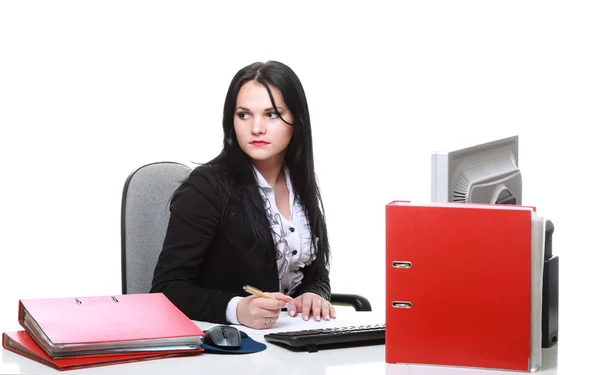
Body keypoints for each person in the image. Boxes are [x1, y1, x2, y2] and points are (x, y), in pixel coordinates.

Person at [150, 60, 336, 330]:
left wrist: (313, 295)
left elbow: (315, 272)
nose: (256, 128)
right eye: (244, 114)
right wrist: (235, 309)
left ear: (297, 120)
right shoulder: (206, 187)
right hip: (225, 345)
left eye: (272, 114)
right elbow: (166, 288)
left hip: (287, 338)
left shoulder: (299, 183)